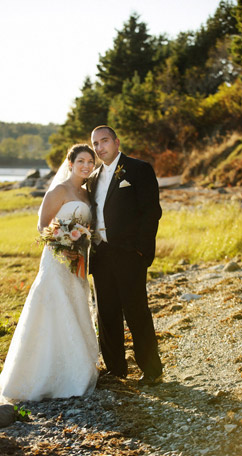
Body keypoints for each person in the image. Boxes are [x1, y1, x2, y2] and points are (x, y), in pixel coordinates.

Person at [0, 144, 99, 403]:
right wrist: (63, 244)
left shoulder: (87, 194)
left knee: (75, 304)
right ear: (71, 163)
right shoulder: (59, 190)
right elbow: (42, 225)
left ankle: (78, 369)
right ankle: (41, 375)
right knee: (53, 306)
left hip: (79, 261)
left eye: (90, 161)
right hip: (56, 260)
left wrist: (78, 245)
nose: (86, 165)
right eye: (81, 161)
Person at [86, 125, 163, 386]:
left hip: (130, 254)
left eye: (104, 141)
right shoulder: (93, 177)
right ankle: (116, 369)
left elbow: (152, 212)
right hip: (101, 255)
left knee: (136, 311)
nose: (99, 147)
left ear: (117, 142)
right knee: (106, 314)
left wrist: (142, 251)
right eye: (95, 143)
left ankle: (151, 370)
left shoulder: (139, 169)